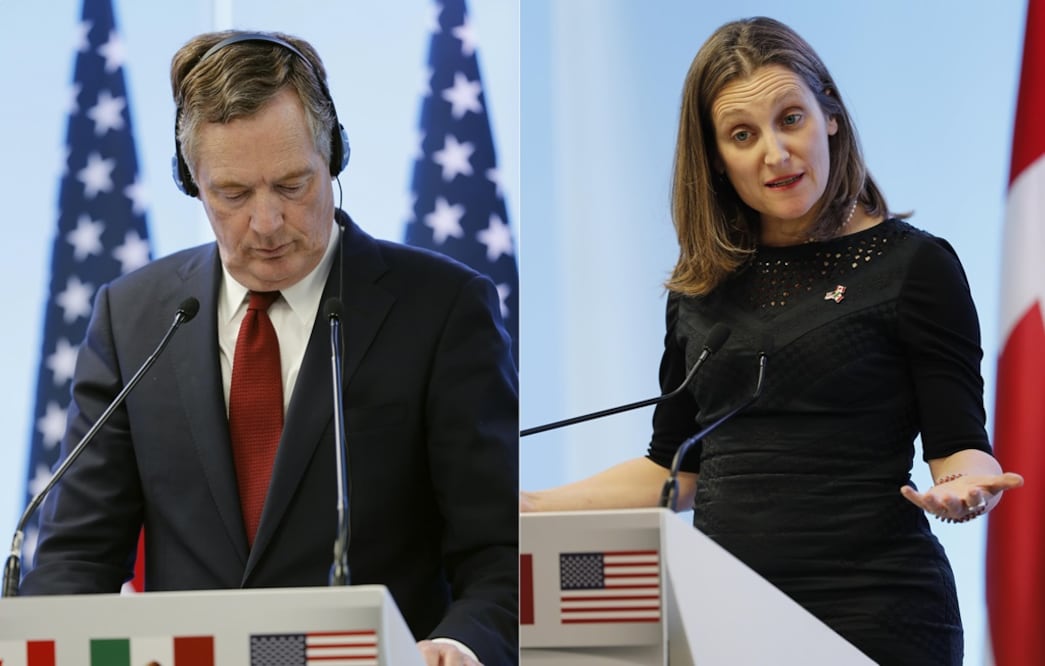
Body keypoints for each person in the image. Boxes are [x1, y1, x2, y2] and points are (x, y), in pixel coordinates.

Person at [521, 16, 1023, 665]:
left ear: (830, 117)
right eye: (741, 135)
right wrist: (532, 506)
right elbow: (674, 472)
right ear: (715, 158)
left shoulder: (911, 266)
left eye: (790, 119)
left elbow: (958, 447)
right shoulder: (699, 287)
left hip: (874, 610)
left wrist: (963, 487)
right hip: (723, 613)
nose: (774, 154)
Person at [22, 30, 518, 666]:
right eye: (232, 194)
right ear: (191, 182)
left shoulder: (444, 309)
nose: (266, 223)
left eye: (292, 185)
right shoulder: (134, 318)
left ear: (332, 154)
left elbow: (498, 556)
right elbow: (77, 559)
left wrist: (456, 647)